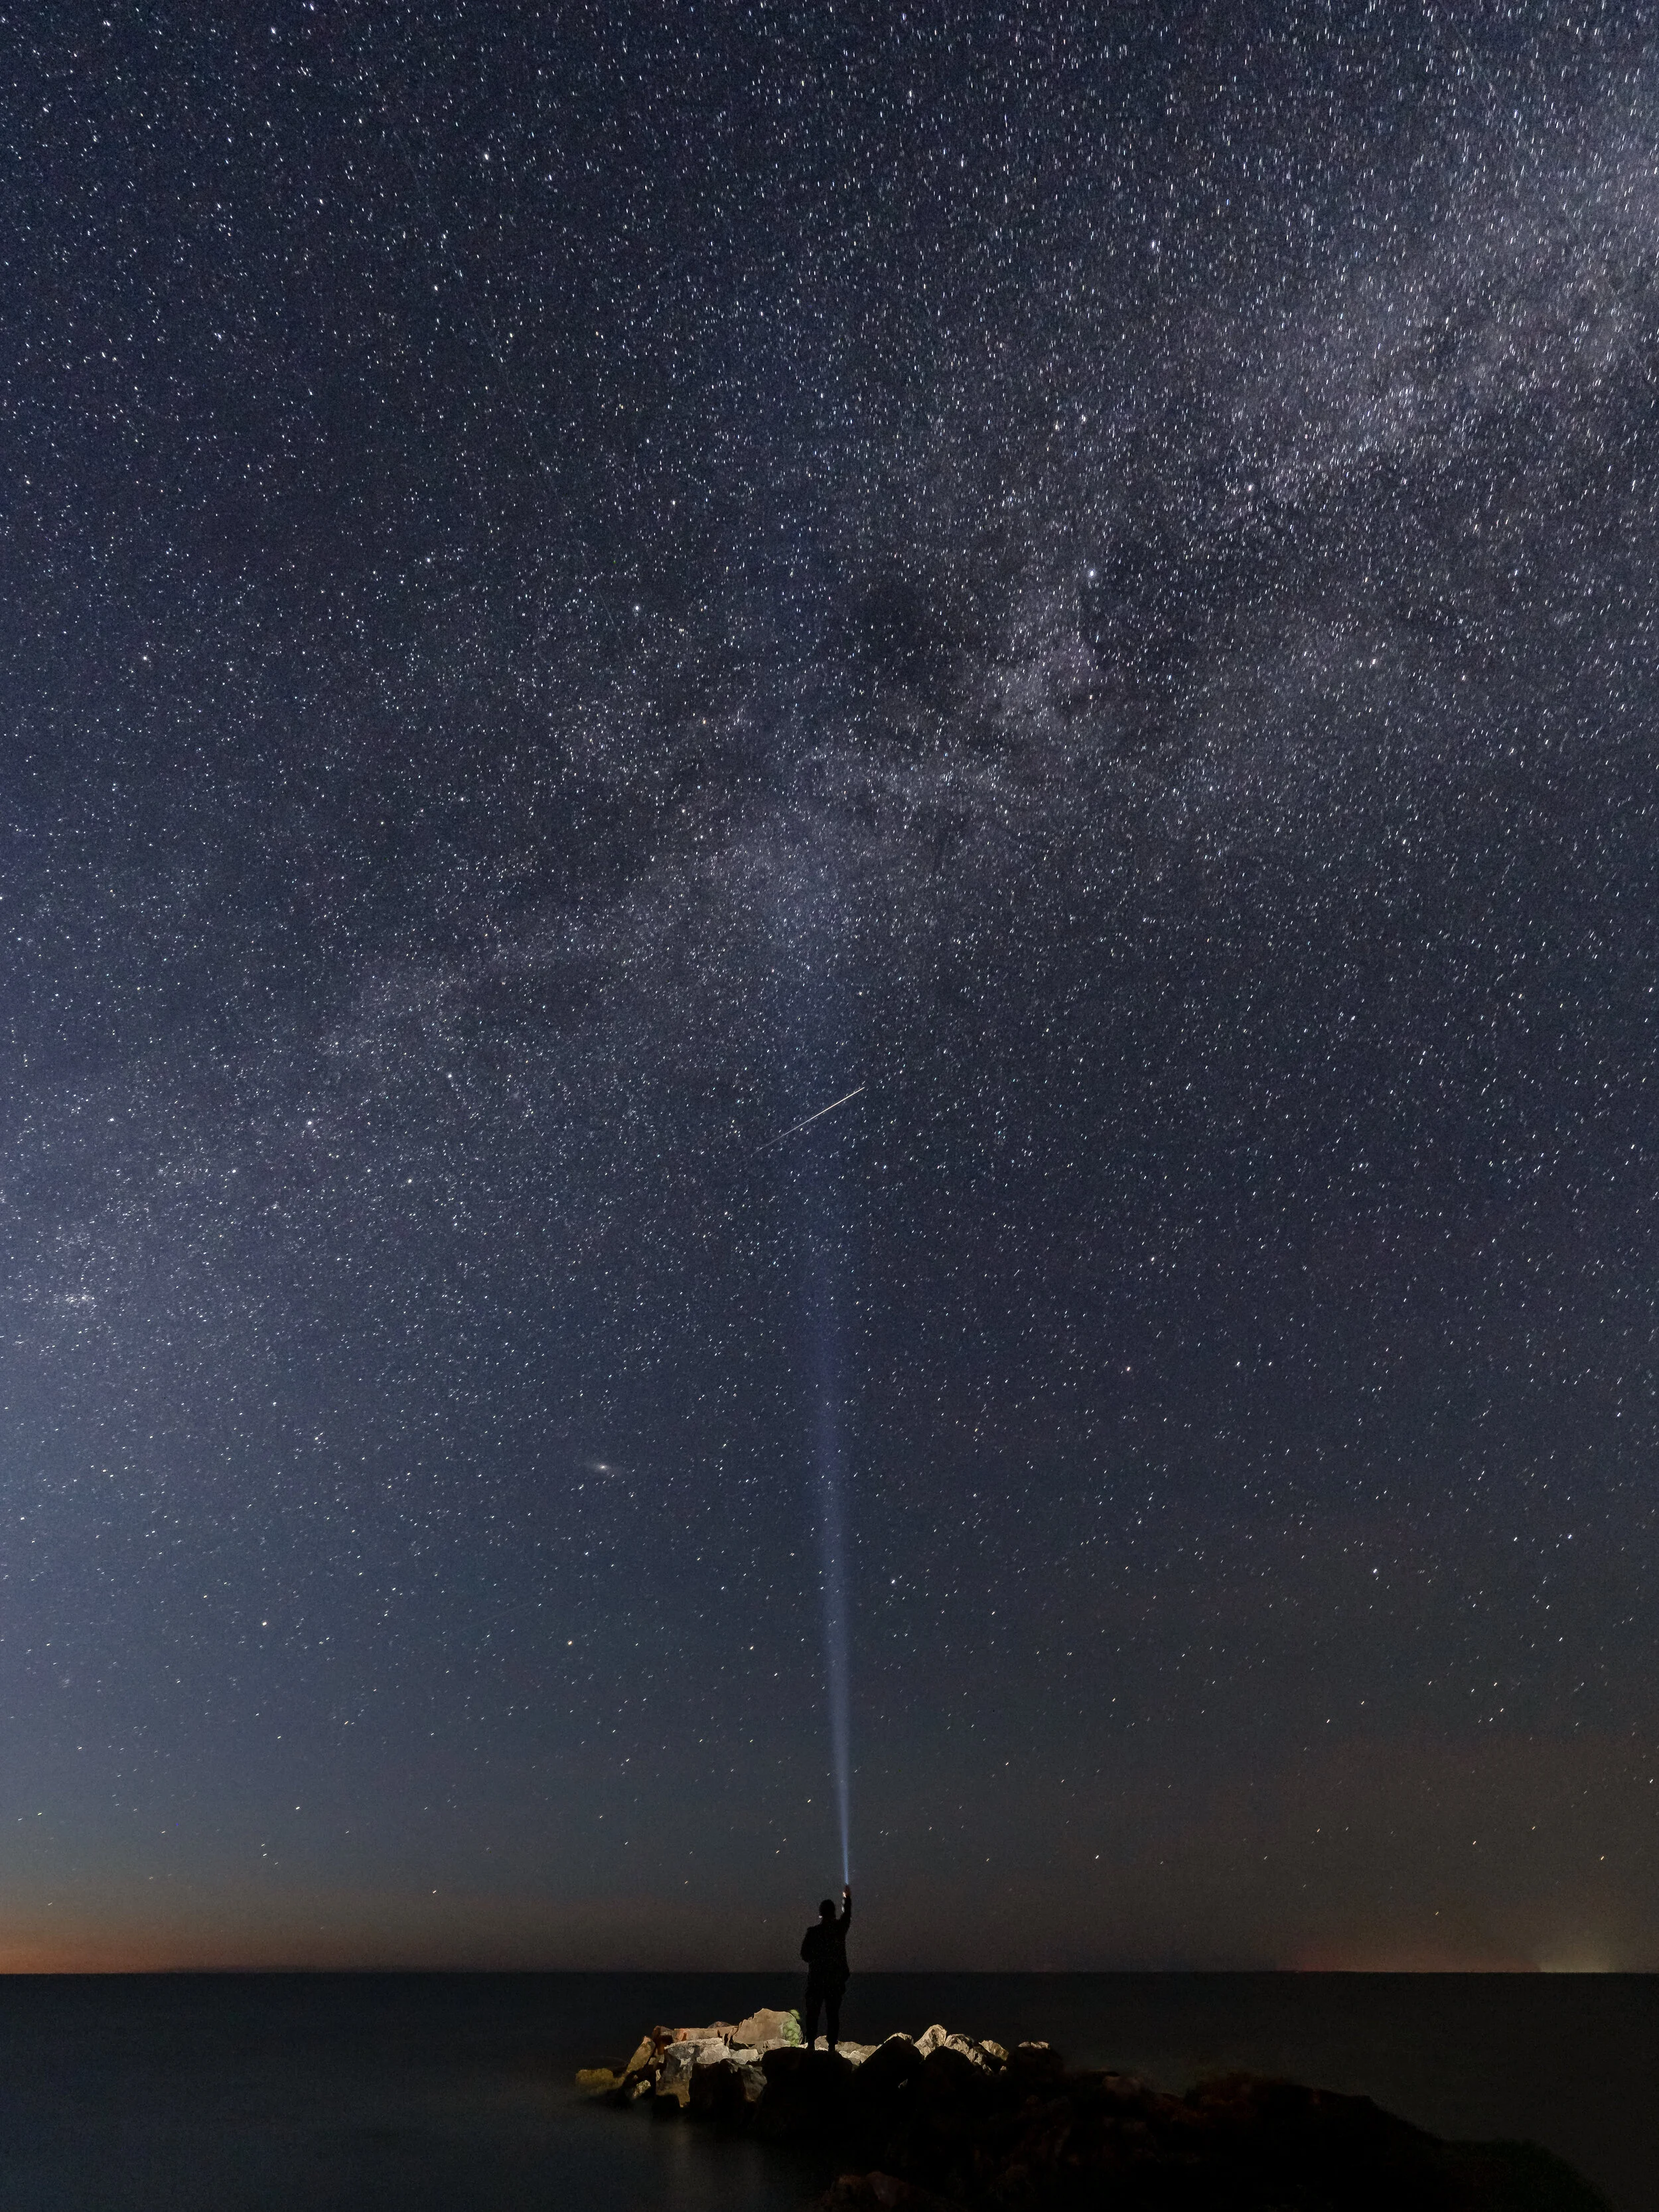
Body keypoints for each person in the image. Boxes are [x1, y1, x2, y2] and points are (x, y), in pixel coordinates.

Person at [800, 1884, 852, 2053]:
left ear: (820, 1913)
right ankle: (831, 2047)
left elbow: (804, 1955)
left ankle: (811, 2044)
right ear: (833, 1913)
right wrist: (847, 1898)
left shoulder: (813, 1933)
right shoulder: (839, 1929)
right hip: (835, 1980)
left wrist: (816, 1960)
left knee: (813, 2012)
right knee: (833, 2013)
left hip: (816, 1979)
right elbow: (847, 1915)